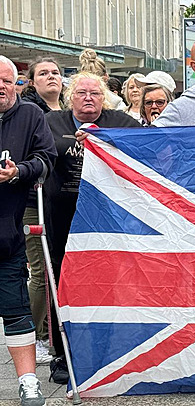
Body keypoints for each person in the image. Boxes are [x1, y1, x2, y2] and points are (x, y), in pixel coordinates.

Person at [45, 72, 141, 384]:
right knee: (61, 279)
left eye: (95, 94)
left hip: (107, 216)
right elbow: (39, 155)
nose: (89, 98)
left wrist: (105, 140)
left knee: (108, 279)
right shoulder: (52, 123)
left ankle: (107, 347)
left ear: (105, 98)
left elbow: (144, 149)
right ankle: (62, 352)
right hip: (62, 215)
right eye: (82, 93)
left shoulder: (121, 123)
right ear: (69, 97)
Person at [0, 55, 56, 406]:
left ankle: (29, 382)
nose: (1, 87)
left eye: (6, 80)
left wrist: (19, 171)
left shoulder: (31, 115)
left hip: (6, 232)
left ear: (17, 83)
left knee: (16, 308)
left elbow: (46, 159)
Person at [20, 57, 65, 362]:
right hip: (33, 202)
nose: (51, 77)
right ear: (33, 82)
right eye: (44, 73)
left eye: (56, 72)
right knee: (41, 271)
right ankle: (35, 335)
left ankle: (56, 329)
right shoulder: (29, 114)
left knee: (60, 270)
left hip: (62, 202)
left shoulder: (69, 112)